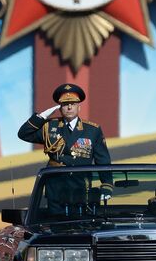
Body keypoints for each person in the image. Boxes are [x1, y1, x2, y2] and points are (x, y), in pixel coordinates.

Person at [18, 83, 113, 212]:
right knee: (57, 226)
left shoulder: (92, 130)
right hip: (56, 186)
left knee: (82, 225)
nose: (69, 107)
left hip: (80, 186)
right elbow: (24, 134)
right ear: (60, 107)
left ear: (79, 107)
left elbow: (103, 160)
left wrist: (106, 184)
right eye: (65, 104)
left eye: (73, 104)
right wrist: (41, 117)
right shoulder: (50, 126)